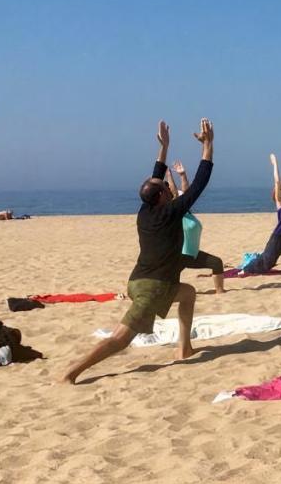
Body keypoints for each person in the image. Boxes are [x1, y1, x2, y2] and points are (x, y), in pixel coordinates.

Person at [61, 119, 215, 384]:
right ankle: (72, 372)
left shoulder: (145, 210)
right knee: (120, 340)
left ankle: (184, 348)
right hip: (152, 288)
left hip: (138, 281)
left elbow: (155, 177)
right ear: (162, 197)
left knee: (188, 293)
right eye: (166, 188)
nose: (168, 186)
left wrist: (164, 148)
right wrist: (208, 145)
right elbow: (200, 182)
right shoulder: (170, 211)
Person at [169, 161, 226, 294]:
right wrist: (169, 177)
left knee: (216, 263)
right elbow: (176, 194)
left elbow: (186, 193)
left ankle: (220, 291)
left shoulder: (187, 212)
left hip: (193, 254)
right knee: (168, 284)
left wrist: (183, 175)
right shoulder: (176, 212)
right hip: (179, 256)